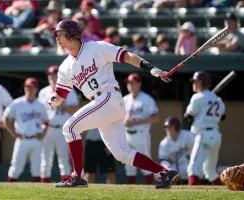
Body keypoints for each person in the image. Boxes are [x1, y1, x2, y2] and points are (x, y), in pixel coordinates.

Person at [48, 19, 178, 189]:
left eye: (60, 34)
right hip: (103, 106)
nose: (57, 38)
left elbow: (127, 56)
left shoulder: (96, 47)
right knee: (121, 153)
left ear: (72, 34)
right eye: (56, 34)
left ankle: (77, 177)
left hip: (108, 97)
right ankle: (164, 172)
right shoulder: (65, 67)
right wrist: (53, 101)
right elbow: (61, 94)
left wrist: (150, 68)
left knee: (70, 128)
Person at [38, 66, 79, 183]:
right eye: (50, 75)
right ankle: (44, 186)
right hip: (47, 129)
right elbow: (39, 112)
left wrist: (64, 106)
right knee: (45, 161)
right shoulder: (43, 92)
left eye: (55, 75)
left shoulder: (69, 90)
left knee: (63, 160)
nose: (52, 77)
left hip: (62, 129)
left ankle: (65, 184)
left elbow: (76, 109)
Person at [184, 71, 225, 185]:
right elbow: (223, 117)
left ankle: (191, 194)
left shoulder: (197, 97)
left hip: (203, 135)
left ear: (201, 82)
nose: (193, 84)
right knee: (210, 172)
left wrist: (187, 113)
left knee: (193, 168)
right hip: (216, 136)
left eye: (195, 81)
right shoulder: (218, 99)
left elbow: (188, 118)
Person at [3, 78, 48, 182]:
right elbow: (5, 118)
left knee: (37, 169)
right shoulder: (17, 103)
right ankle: (9, 192)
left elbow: (46, 121)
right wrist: (13, 133)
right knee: (15, 168)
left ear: (36, 89)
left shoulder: (40, 105)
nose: (29, 89)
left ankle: (36, 194)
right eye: (27, 87)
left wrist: (43, 133)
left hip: (36, 140)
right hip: (22, 139)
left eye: (31, 87)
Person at [123, 73, 159, 184]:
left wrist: (137, 121)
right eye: (129, 83)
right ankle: (130, 191)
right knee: (129, 166)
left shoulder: (146, 99)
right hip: (126, 135)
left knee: (146, 164)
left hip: (141, 134)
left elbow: (156, 118)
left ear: (139, 84)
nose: (130, 85)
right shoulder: (124, 99)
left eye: (133, 83)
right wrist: (125, 121)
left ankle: (148, 189)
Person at [159, 117, 195, 183]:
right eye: (166, 127)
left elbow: (199, 150)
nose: (168, 129)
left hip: (191, 166)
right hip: (176, 170)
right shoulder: (164, 143)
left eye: (170, 127)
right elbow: (163, 160)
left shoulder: (188, 136)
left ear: (176, 127)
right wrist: (169, 169)